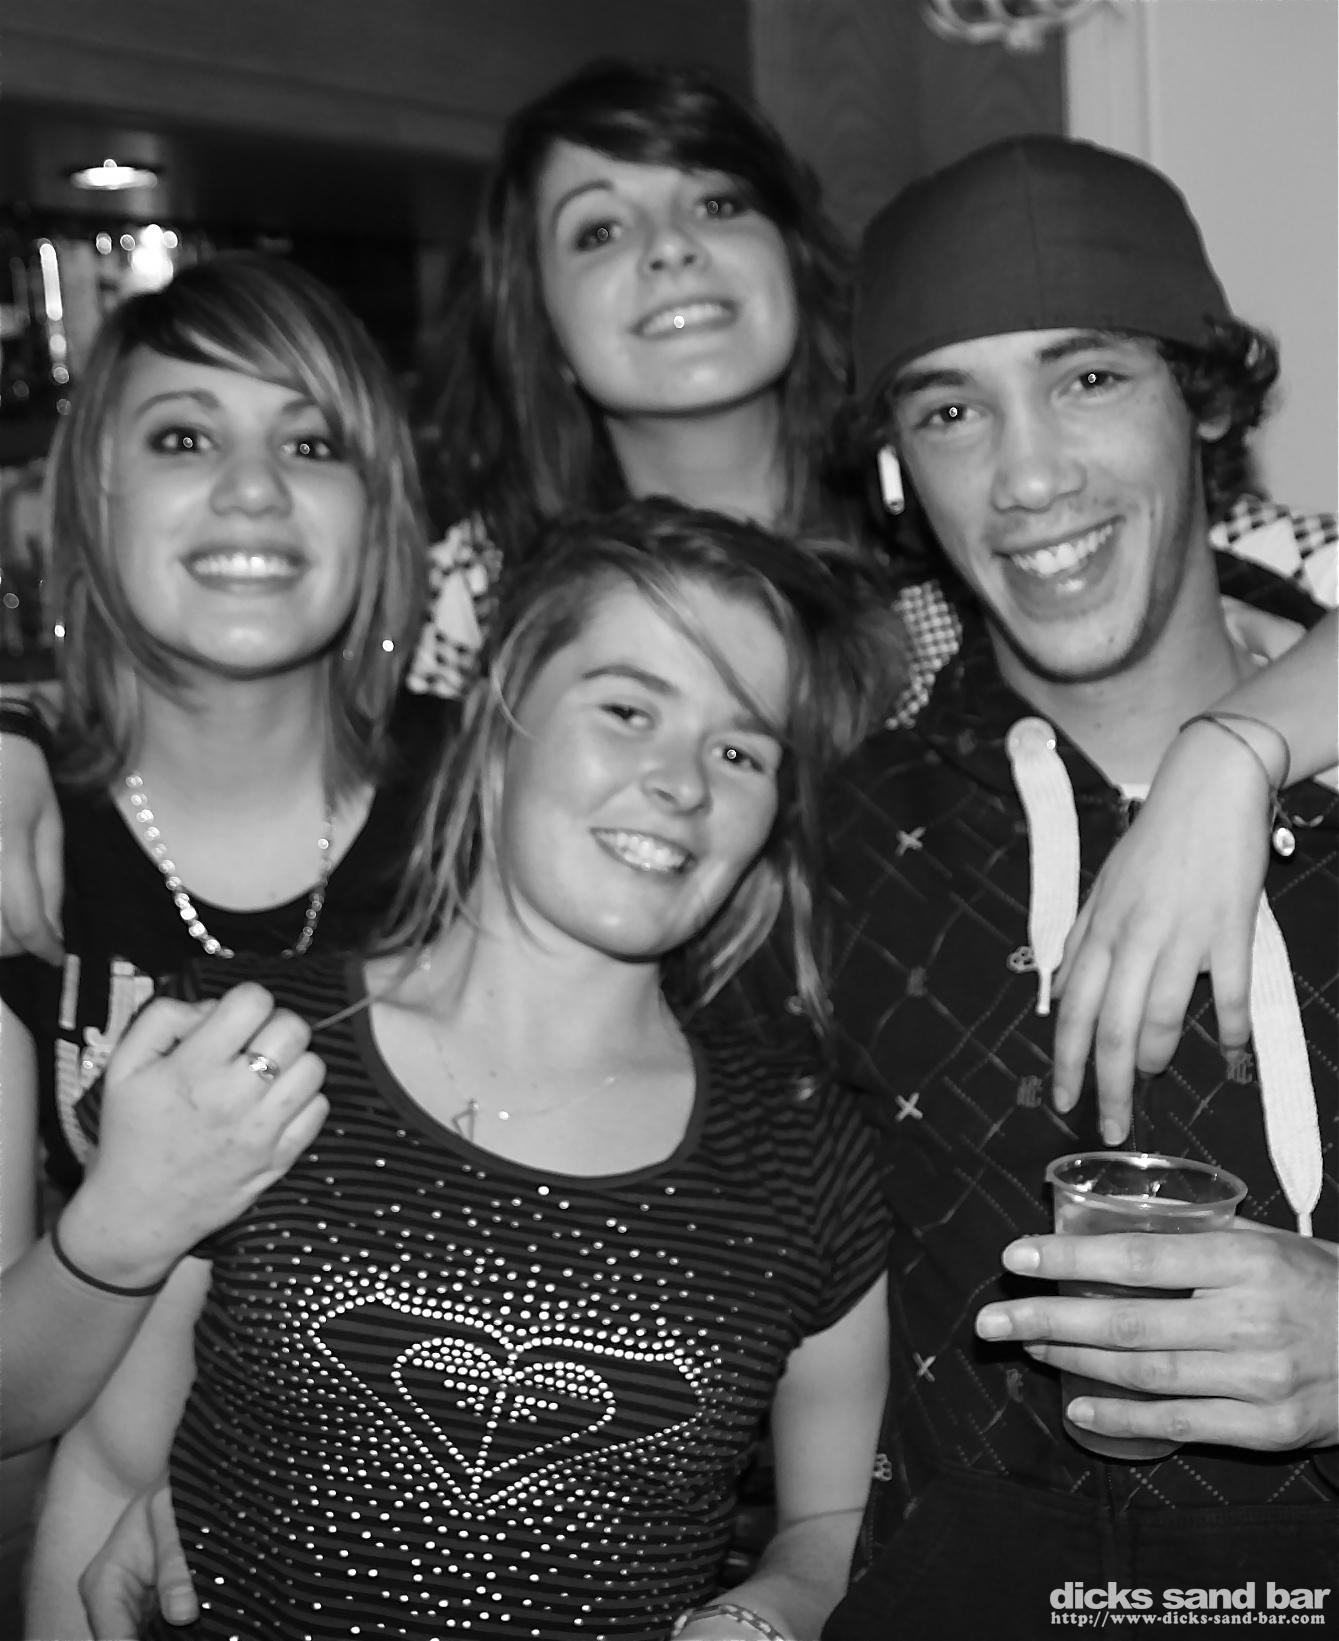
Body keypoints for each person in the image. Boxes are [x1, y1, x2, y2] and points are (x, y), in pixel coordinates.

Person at [2, 60, 1333, 1131]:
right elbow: (260, 700)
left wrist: (1234, 748)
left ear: (792, 260)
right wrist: (16, 727)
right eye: (599, 229)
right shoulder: (476, 595)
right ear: (538, 319)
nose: (669, 256)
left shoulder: (975, 545)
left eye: (715, 205)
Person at [43, 500, 894, 1641]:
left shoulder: (807, 1150)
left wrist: (763, 1617)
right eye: (628, 709)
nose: (683, 783)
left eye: (739, 751)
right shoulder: (247, 1042)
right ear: (501, 717)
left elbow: (832, 1524)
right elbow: (106, 1468)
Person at [799, 135, 1337, 1639]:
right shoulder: (826, 833)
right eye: (950, 410)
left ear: (1203, 400)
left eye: (1088, 377)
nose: (1027, 477)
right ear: (897, 469)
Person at [0, 252, 437, 1632]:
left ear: (377, 512)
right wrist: (129, 1219)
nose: (253, 490)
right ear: (95, 495)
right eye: (184, 438)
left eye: (311, 444)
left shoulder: (497, 810)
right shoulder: (19, 851)